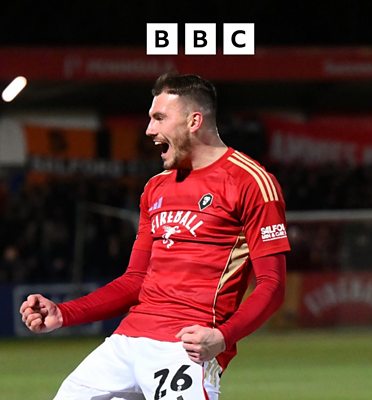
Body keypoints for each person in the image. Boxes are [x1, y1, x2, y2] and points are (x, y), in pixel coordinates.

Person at [20, 73, 291, 400]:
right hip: (126, 343)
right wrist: (64, 313)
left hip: (185, 347)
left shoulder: (251, 182)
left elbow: (272, 286)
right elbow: (135, 280)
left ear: (194, 121)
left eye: (159, 118)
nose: (149, 130)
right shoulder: (156, 187)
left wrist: (222, 337)